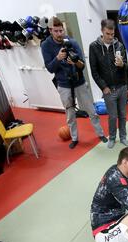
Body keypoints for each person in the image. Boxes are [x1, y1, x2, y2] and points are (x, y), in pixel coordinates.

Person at [41, 17, 107, 149]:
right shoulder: (46, 45)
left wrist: (75, 62)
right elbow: (49, 68)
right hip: (63, 84)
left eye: (61, 30)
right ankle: (75, 138)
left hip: (79, 82)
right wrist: (58, 59)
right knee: (70, 115)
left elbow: (82, 65)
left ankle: (100, 134)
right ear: (50, 31)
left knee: (91, 110)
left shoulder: (72, 42)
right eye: (56, 31)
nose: (60, 34)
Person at [89, 19, 128, 149]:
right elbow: (94, 71)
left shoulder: (119, 46)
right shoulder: (94, 47)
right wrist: (103, 87)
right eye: (108, 34)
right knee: (113, 117)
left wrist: (122, 64)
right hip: (108, 90)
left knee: (123, 115)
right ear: (102, 31)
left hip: (122, 87)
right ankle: (112, 137)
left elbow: (125, 67)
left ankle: (123, 137)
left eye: (112, 34)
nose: (111, 37)